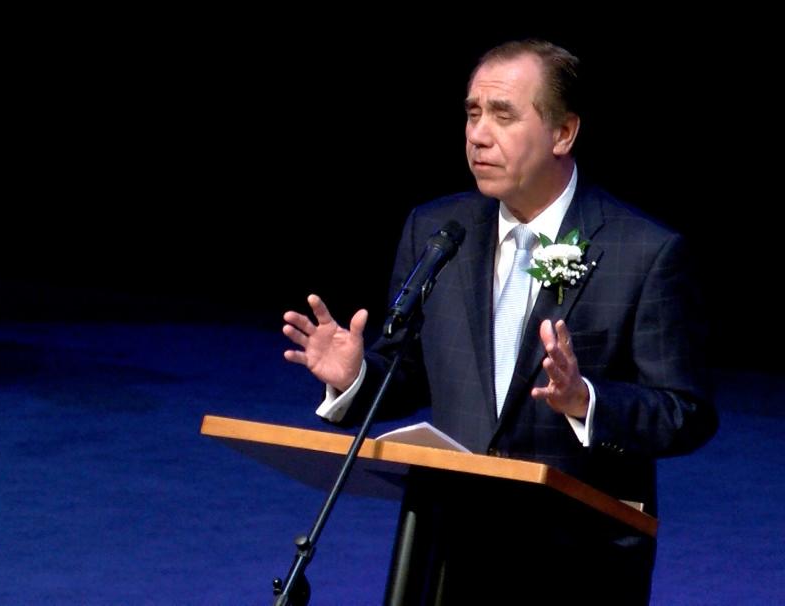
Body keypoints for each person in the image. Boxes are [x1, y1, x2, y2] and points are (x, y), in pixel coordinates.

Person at [282, 39, 718, 604]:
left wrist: (586, 400)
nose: (478, 134)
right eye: (472, 113)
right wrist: (356, 376)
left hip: (577, 560)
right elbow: (408, 371)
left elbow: (686, 412)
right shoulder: (438, 230)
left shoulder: (644, 253)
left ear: (563, 134)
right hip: (446, 549)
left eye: (503, 115)